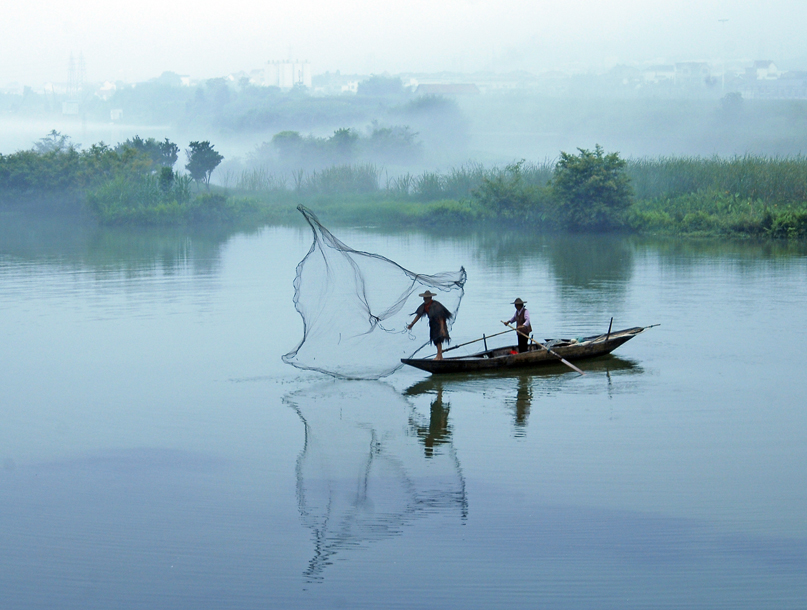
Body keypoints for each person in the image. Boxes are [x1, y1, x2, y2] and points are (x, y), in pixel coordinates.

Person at [407, 290, 452, 360]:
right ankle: (440, 356)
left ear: (430, 298)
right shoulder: (424, 306)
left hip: (440, 324)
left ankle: (439, 355)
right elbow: (419, 315)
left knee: (438, 339)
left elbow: (441, 317)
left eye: (426, 298)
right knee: (435, 339)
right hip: (433, 324)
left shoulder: (435, 305)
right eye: (424, 298)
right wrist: (412, 324)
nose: (424, 299)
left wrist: (442, 329)